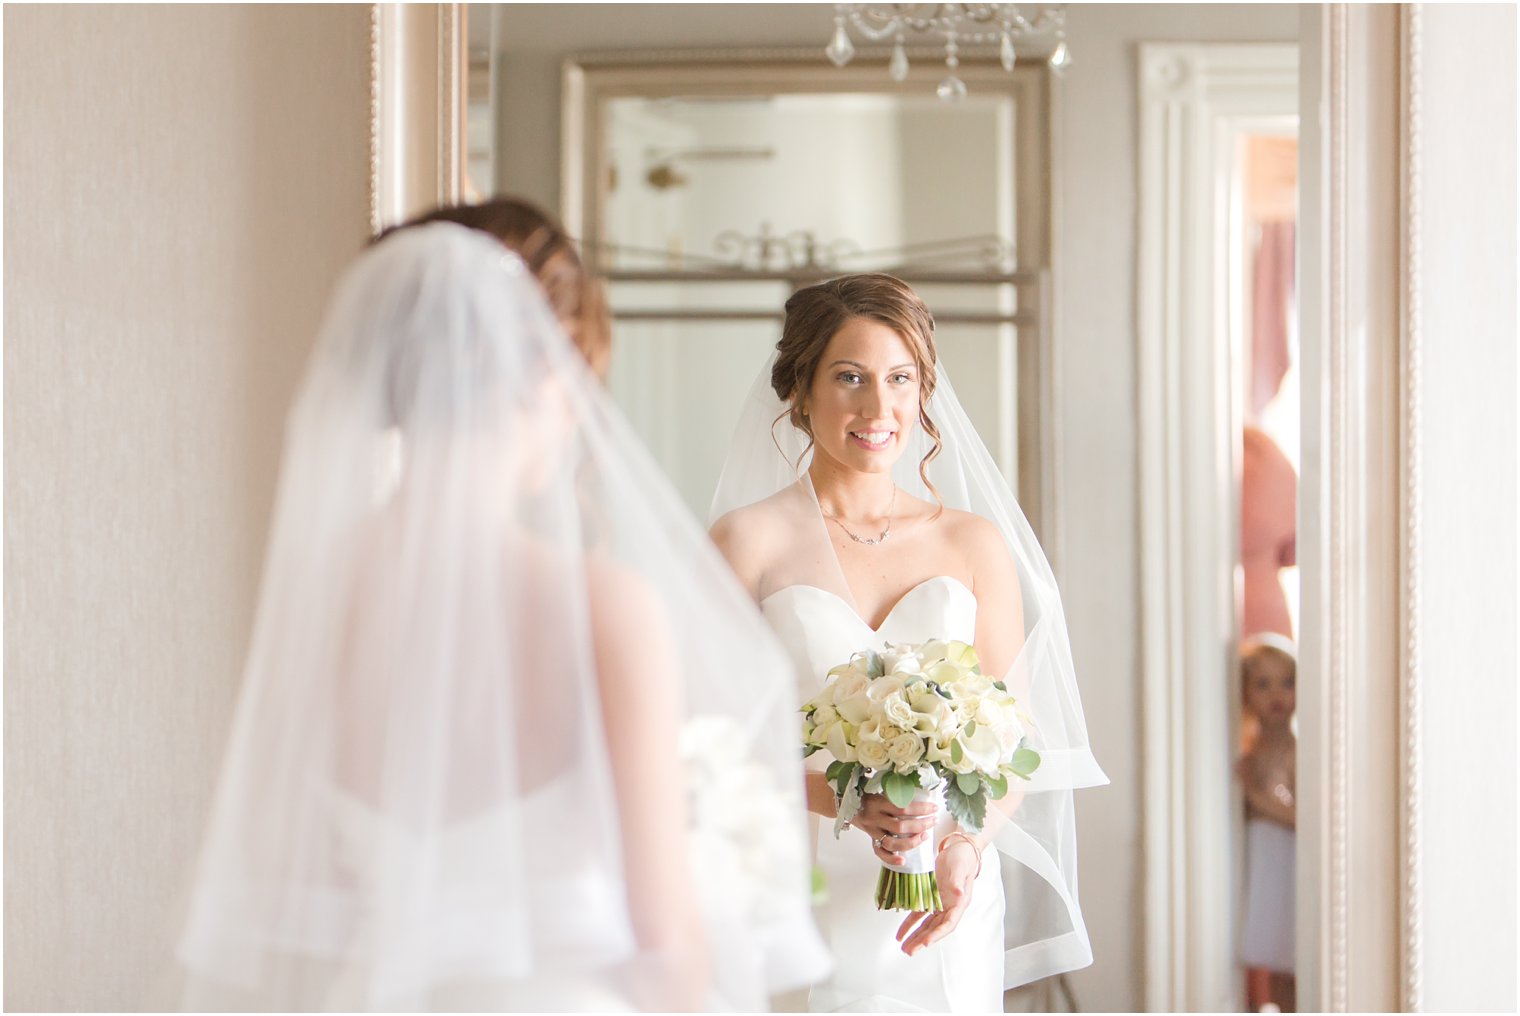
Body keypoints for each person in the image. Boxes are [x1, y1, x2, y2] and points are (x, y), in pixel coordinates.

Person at [175, 223, 829, 1010]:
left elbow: (310, 893)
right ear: (542, 380)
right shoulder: (603, 606)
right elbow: (666, 947)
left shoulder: (319, 585)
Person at [709, 274, 1105, 1011]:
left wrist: (966, 846)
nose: (878, 407)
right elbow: (708, 741)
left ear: (924, 392)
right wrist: (842, 800)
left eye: (901, 379)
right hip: (804, 889)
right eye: (849, 377)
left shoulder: (972, 543)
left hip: (941, 895)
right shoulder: (746, 542)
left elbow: (1014, 738)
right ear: (799, 391)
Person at [1235, 634, 1298, 1013]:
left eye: (1287, 683)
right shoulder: (1254, 748)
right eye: (1263, 684)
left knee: (1290, 956)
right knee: (1275, 957)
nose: (1277, 694)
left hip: (1286, 857)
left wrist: (1255, 795)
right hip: (1264, 857)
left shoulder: (1294, 750)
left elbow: (1300, 817)